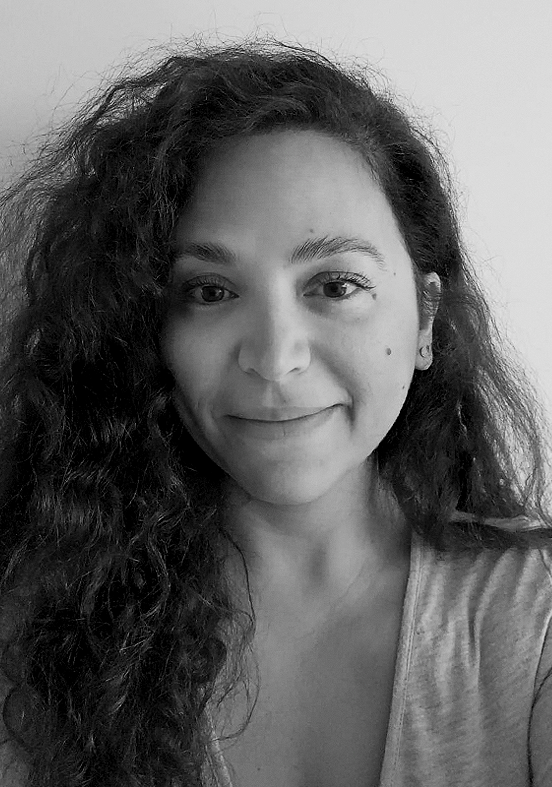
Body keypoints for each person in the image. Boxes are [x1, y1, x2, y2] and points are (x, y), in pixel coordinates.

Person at [0, 35, 551, 787]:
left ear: (424, 318)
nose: (274, 355)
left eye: (335, 284)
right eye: (210, 291)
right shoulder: (36, 643)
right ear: (148, 328)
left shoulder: (539, 614)